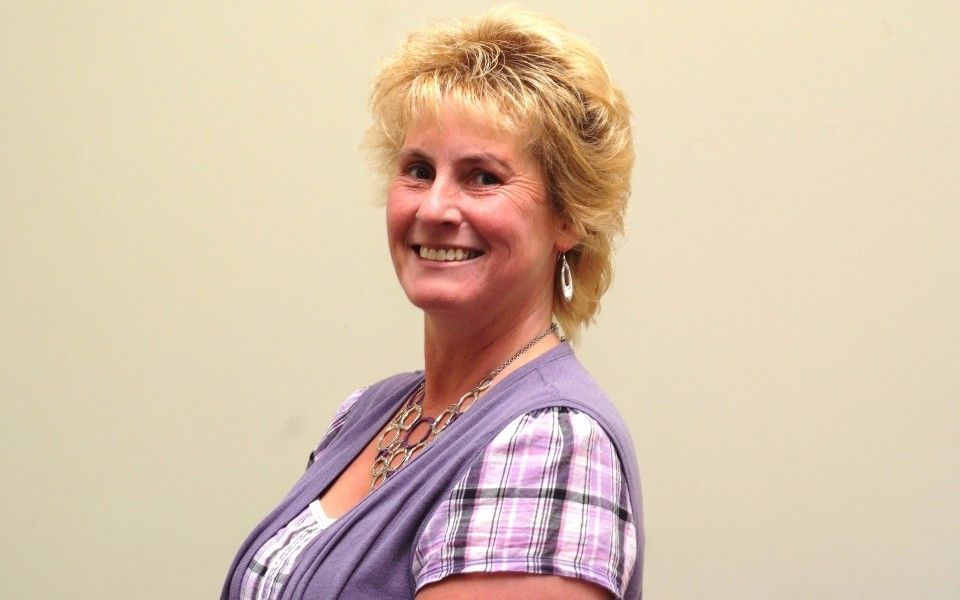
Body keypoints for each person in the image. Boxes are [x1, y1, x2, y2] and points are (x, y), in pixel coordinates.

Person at [222, 7, 643, 599]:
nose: (434, 209)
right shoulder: (368, 414)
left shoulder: (550, 444)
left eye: (482, 177)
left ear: (569, 216)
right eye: (418, 170)